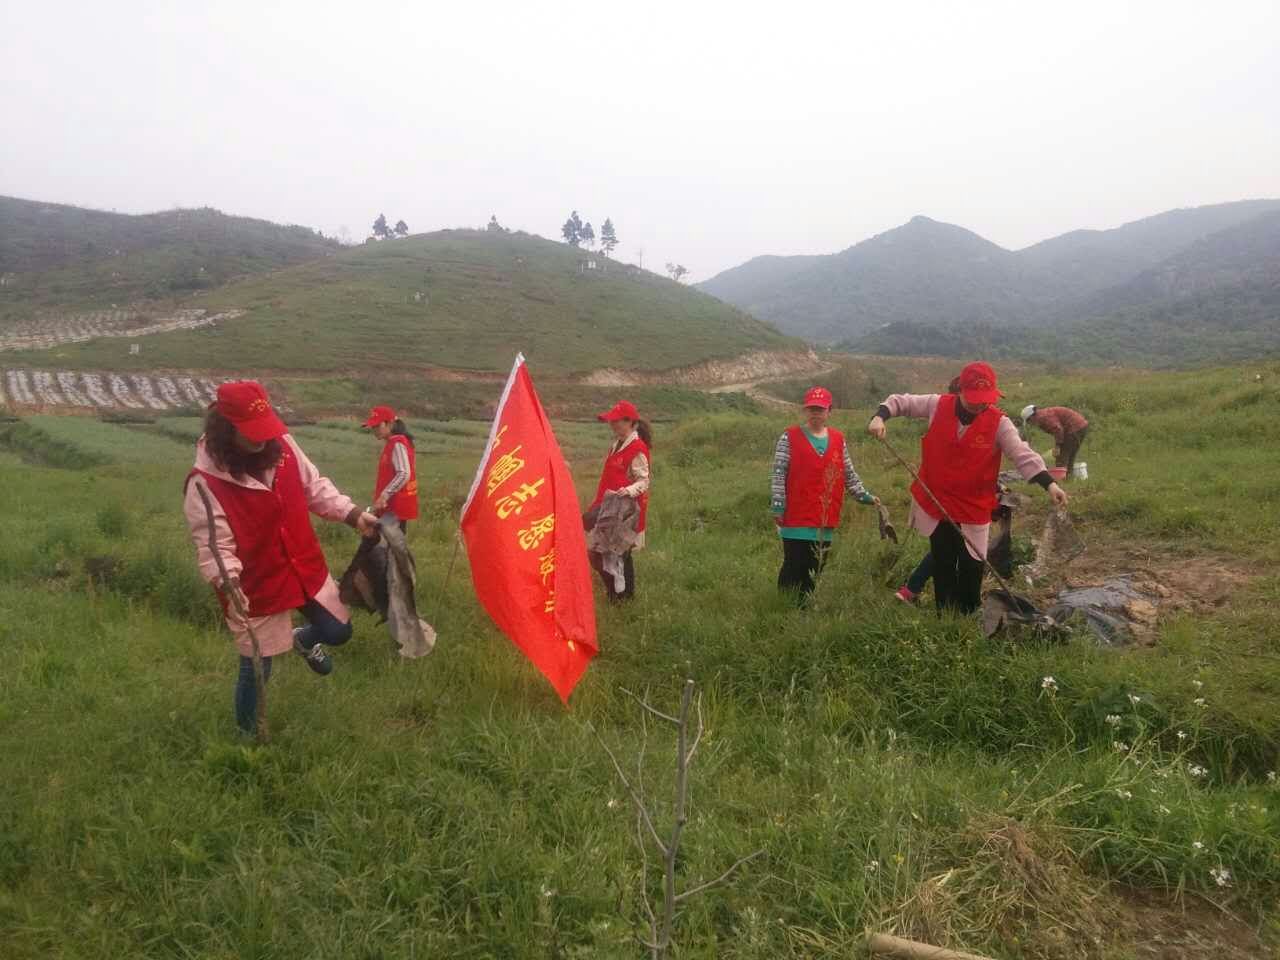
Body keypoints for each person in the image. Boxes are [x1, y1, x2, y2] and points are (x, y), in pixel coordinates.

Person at [184, 381, 378, 736]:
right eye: (251, 432)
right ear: (226, 429)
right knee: (258, 666)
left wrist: (352, 515)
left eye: (265, 428)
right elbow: (214, 545)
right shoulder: (204, 483)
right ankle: (248, 737)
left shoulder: (283, 445)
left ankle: (303, 639)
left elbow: (313, 486)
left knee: (338, 630)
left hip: (301, 562)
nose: (262, 439)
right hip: (256, 582)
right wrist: (228, 582)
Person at [868, 362, 1068, 615]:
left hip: (973, 506)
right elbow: (901, 402)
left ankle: (967, 614)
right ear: (960, 390)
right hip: (937, 501)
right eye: (974, 398)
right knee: (942, 560)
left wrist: (1049, 483)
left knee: (972, 564)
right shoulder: (937, 405)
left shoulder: (999, 423)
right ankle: (944, 616)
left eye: (985, 399)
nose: (980, 405)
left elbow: (1022, 454)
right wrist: (879, 417)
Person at [771, 386, 879, 601]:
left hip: (825, 516)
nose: (815, 413)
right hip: (796, 513)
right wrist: (778, 505)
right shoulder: (789, 437)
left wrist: (863, 495)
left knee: (816, 567)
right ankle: (783, 607)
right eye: (811, 408)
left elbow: (848, 473)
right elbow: (778, 473)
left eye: (820, 409)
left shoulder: (838, 439)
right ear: (805, 410)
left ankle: (805, 607)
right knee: (793, 565)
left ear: (829, 411)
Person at [587, 400, 651, 601]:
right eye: (611, 421)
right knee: (599, 553)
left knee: (619, 553)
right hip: (607, 507)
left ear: (629, 422)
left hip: (624, 511)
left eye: (616, 421)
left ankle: (622, 596)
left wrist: (628, 491)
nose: (612, 425)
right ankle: (616, 593)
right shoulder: (616, 444)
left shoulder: (637, 448)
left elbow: (644, 481)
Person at [362, 405, 419, 532]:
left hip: (394, 509)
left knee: (379, 541)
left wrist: (384, 496)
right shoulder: (395, 442)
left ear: (390, 423)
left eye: (378, 426)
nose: (374, 430)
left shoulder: (397, 443)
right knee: (383, 542)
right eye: (373, 427)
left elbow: (403, 473)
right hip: (391, 508)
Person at [1021, 404, 1090, 475]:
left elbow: (1058, 429)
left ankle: (1061, 478)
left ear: (1031, 417)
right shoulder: (1042, 414)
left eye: (1029, 421)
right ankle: (1068, 477)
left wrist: (1057, 446)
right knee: (1070, 456)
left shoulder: (1043, 418)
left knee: (1061, 457)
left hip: (1074, 428)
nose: (1030, 423)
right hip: (1081, 426)